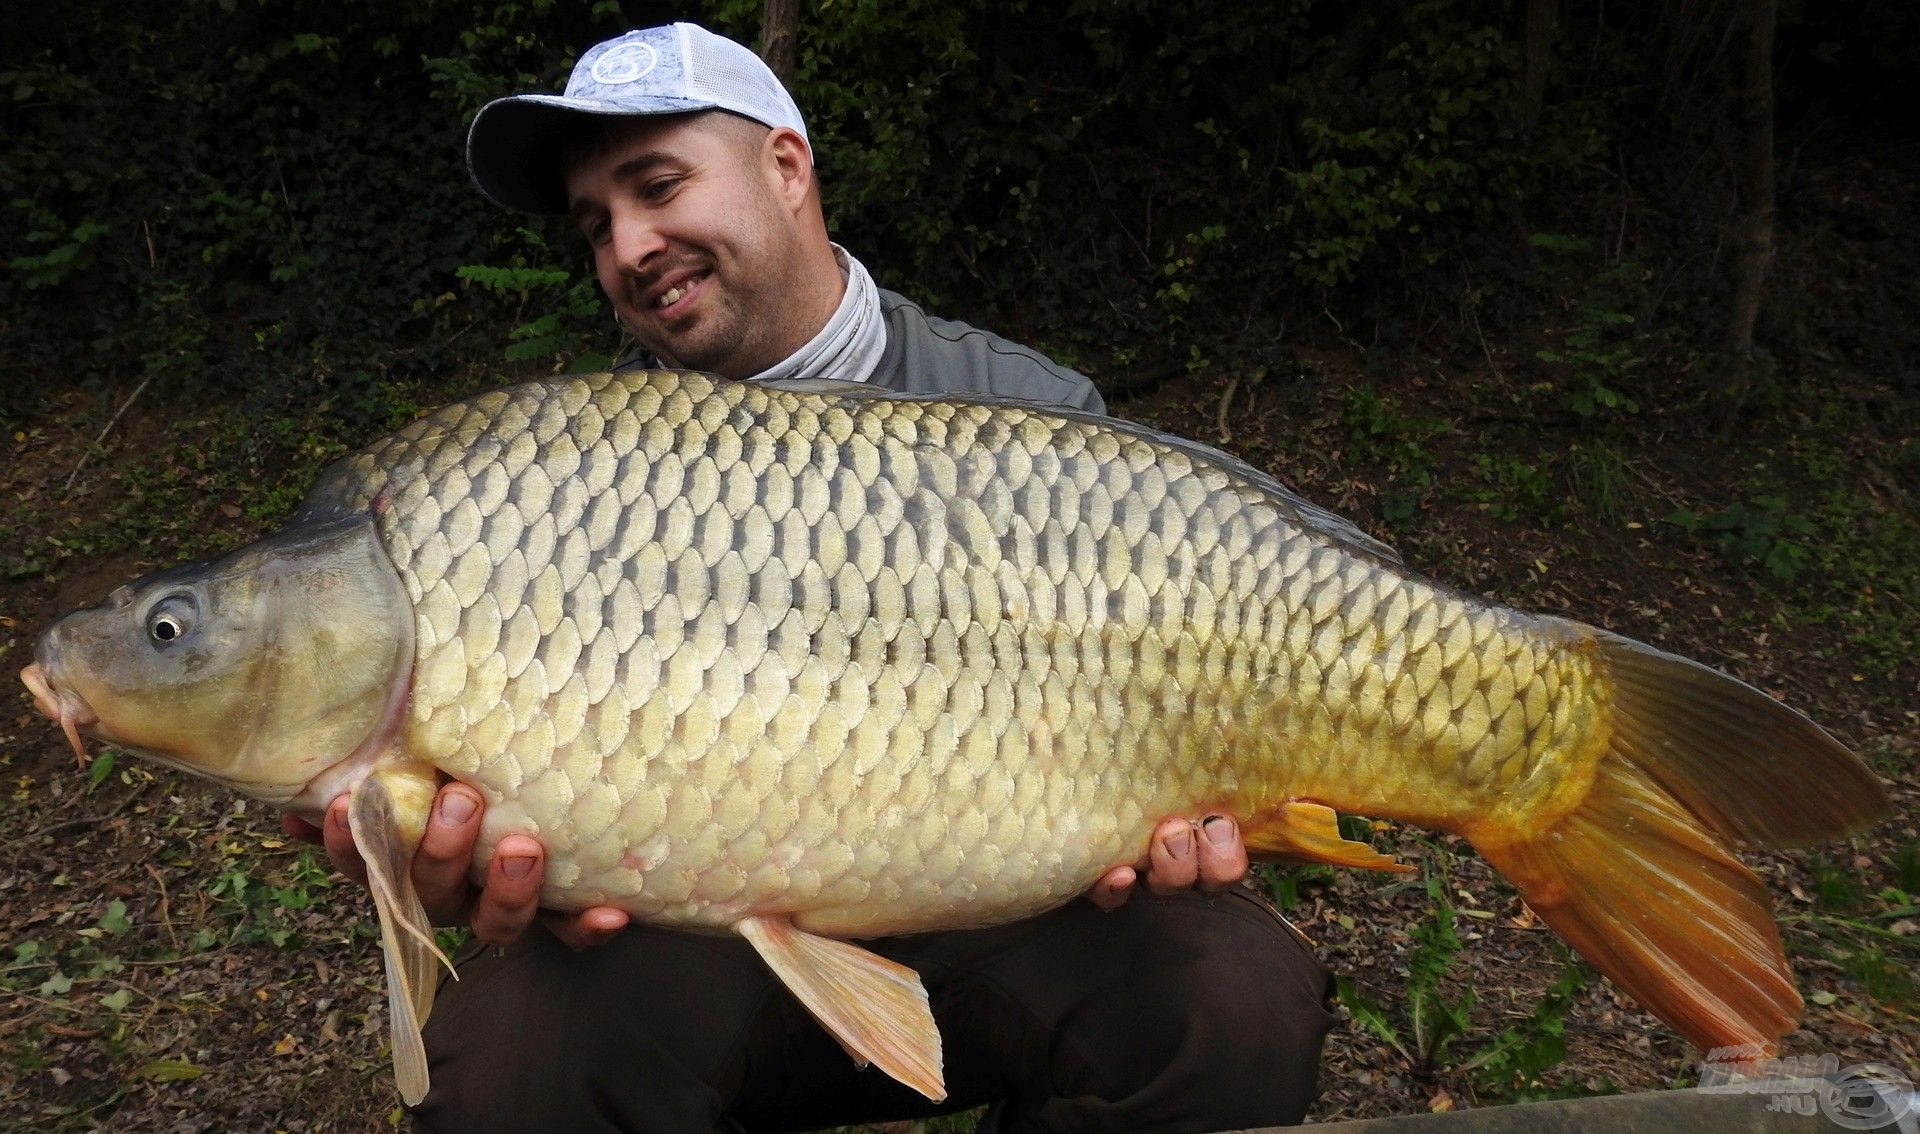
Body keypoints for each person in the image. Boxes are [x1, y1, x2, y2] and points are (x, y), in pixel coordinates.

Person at [287, 23, 1335, 1133]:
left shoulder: (1020, 410)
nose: (629, 246)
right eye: (597, 225)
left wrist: (1197, 809)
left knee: (1238, 1011)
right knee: (503, 1086)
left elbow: (1175, 692)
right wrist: (468, 866)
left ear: (786, 167)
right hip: (699, 930)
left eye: (657, 186)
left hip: (1009, 907)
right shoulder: (567, 481)